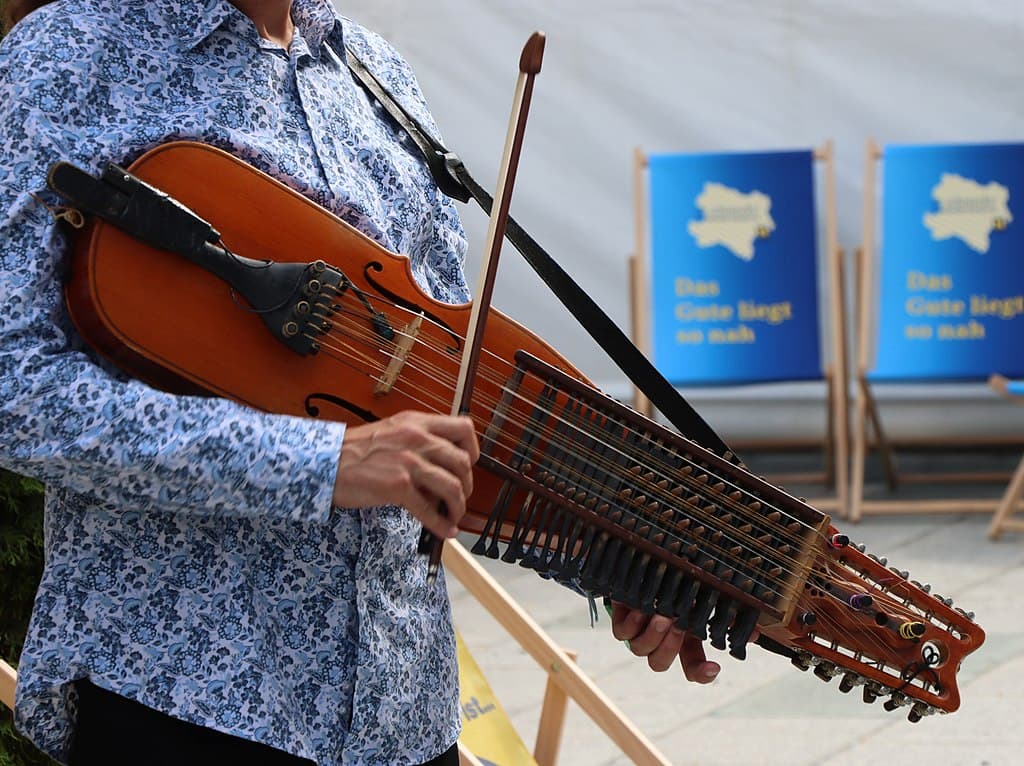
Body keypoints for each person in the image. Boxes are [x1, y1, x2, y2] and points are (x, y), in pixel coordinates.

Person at [0, 1, 724, 764]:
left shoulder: (374, 72)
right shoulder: (72, 54)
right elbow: (15, 387)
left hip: (404, 709)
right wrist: (323, 462)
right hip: (188, 701)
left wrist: (615, 558)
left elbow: (454, 401)